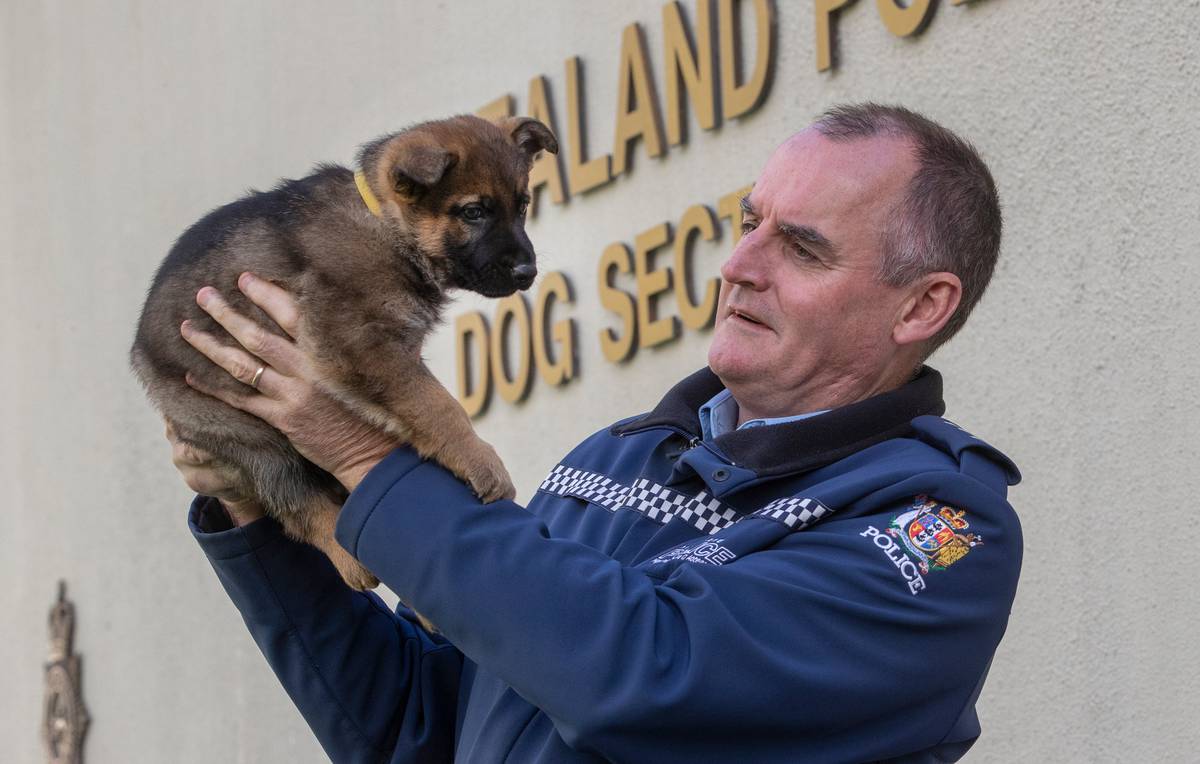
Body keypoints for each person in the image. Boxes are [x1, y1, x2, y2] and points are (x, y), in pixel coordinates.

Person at [170, 103, 1021, 763]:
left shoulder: (938, 526)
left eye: (799, 247)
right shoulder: (621, 454)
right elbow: (421, 724)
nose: (737, 264)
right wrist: (262, 502)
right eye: (747, 223)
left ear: (922, 307)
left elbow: (647, 677)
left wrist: (361, 456)